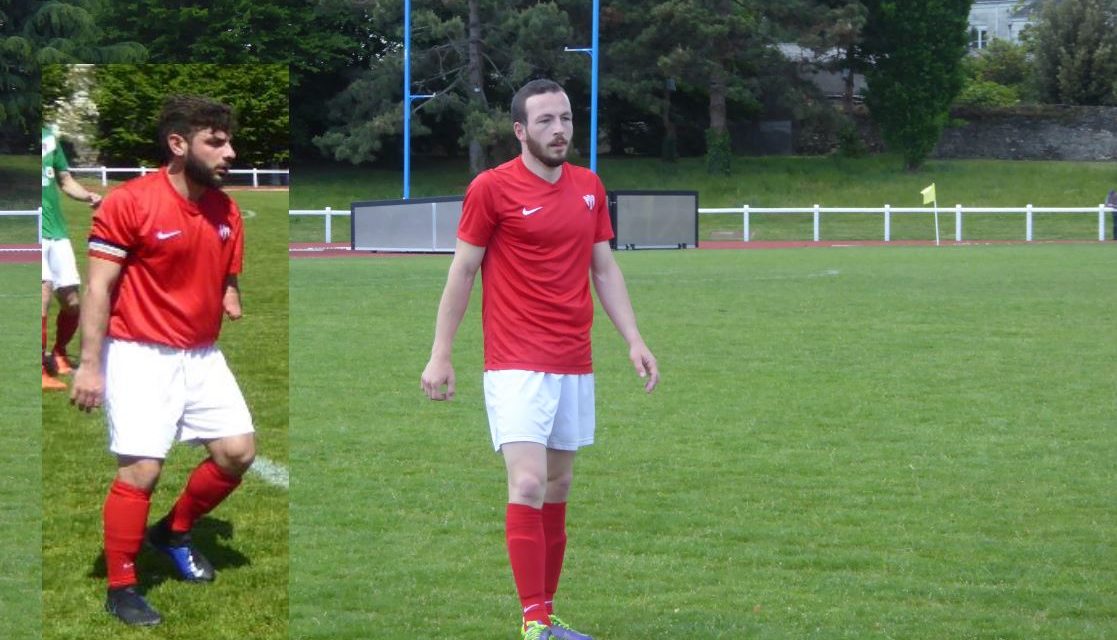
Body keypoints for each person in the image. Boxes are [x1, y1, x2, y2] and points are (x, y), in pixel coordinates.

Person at [420, 78, 660, 640]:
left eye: (566, 118)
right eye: (546, 120)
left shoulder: (589, 187)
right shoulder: (491, 188)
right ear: (521, 130)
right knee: (527, 484)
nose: (559, 130)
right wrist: (440, 354)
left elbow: (604, 268)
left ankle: (547, 616)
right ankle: (533, 624)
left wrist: (634, 338)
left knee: (558, 487)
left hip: (573, 359)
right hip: (515, 361)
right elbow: (463, 270)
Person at [70, 95, 255, 627]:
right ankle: (122, 587)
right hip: (139, 352)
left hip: (202, 354)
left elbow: (226, 265)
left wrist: (229, 291)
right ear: (178, 144)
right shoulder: (129, 202)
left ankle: (172, 531)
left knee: (237, 452)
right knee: (142, 470)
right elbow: (99, 288)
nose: (229, 153)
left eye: (228, 142)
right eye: (215, 142)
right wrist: (90, 364)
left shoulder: (225, 208)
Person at [41, 124, 102, 390]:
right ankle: (38, 369)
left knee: (72, 301)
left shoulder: (49, 137)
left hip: (57, 231)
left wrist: (87, 196)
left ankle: (59, 352)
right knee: (42, 293)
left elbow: (65, 180)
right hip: (28, 228)